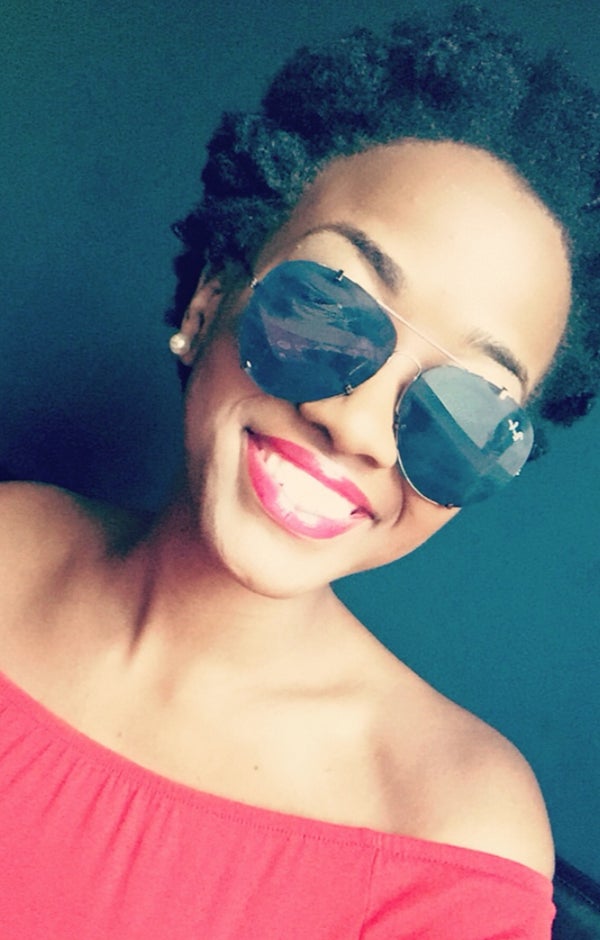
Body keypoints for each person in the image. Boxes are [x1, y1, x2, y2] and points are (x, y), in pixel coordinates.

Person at [1, 5, 599, 938]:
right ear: (211, 298)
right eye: (327, 308)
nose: (357, 428)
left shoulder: (451, 832)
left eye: (470, 412)